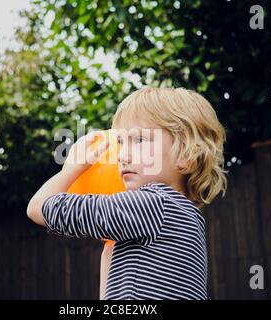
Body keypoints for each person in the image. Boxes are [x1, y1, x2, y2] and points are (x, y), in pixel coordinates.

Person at [27, 87, 228, 299]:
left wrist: (74, 168)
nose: (122, 156)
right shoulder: (187, 218)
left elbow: (38, 207)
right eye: (120, 142)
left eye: (139, 140)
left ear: (186, 156)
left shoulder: (153, 205)